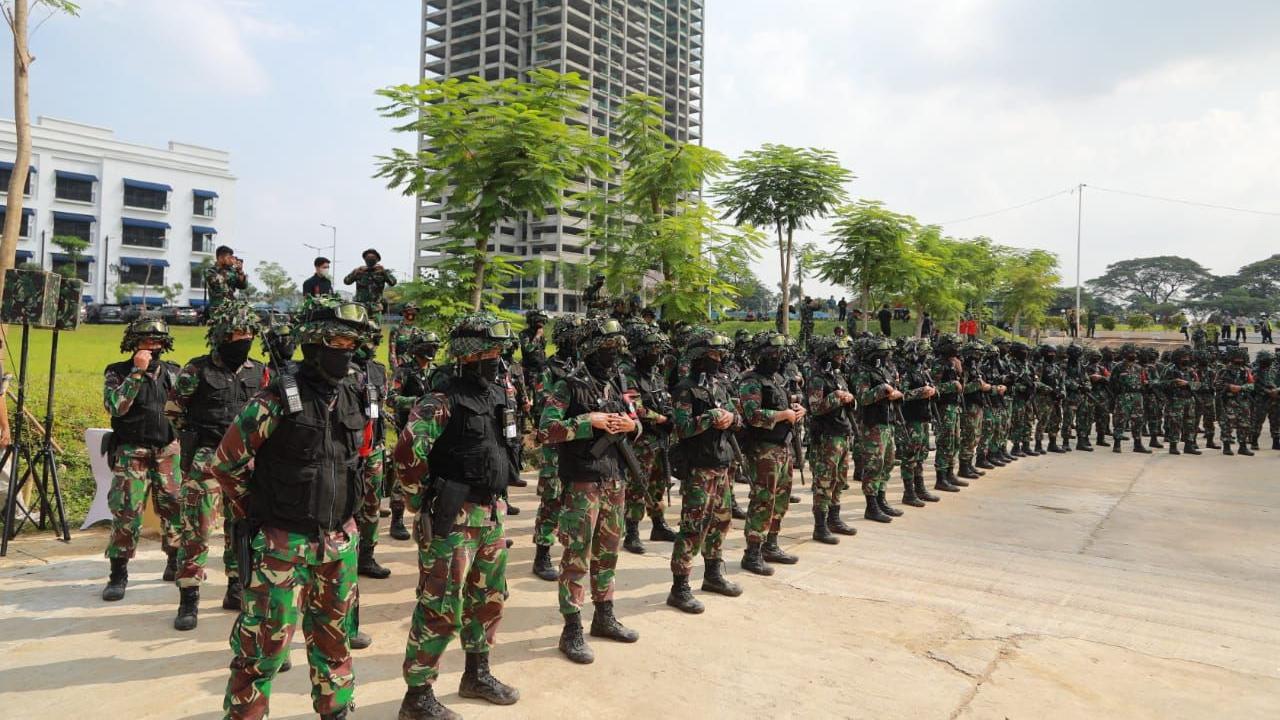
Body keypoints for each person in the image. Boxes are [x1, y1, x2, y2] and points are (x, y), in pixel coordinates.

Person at [210, 297, 372, 720]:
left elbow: (361, 460)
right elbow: (226, 461)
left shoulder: (354, 393)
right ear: (315, 346)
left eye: (352, 343)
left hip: (339, 542)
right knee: (263, 645)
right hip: (282, 544)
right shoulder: (277, 398)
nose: (347, 351)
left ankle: (335, 710)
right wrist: (258, 508)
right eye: (338, 341)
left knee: (335, 639)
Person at [393, 312, 520, 720]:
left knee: (489, 599)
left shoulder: (498, 395)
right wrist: (423, 504)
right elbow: (408, 455)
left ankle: (477, 674)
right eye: (490, 352)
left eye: (500, 352)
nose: (496, 359)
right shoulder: (441, 400)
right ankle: (417, 696)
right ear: (470, 354)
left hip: (490, 513)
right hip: (453, 519)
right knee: (440, 607)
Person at [538, 317, 641, 665]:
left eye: (617, 348)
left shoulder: (619, 382)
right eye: (608, 348)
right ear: (592, 349)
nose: (614, 355)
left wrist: (632, 425)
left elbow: (635, 419)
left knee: (609, 552)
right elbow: (546, 430)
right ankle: (572, 628)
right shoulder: (569, 386)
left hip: (615, 479)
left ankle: (604, 615)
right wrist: (587, 422)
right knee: (577, 556)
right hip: (583, 480)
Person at [172, 301, 267, 630]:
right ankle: (189, 597)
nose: (243, 340)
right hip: (206, 459)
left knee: (240, 529)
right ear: (221, 336)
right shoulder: (197, 370)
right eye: (236, 334)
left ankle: (235, 586)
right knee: (196, 530)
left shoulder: (259, 371)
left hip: (245, 463)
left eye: (248, 334)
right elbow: (174, 410)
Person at [100, 316, 183, 602]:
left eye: (157, 341)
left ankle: (174, 561)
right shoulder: (117, 372)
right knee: (126, 511)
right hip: (131, 450)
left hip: (167, 450)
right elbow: (115, 407)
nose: (152, 346)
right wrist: (137, 373)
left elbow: (184, 409)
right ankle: (118, 573)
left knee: (174, 506)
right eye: (146, 341)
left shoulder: (174, 372)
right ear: (133, 343)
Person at [737, 331, 805, 574]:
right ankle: (752, 552)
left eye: (779, 353)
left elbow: (783, 404)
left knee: (781, 497)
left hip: (782, 446)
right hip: (763, 448)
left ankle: (771, 544)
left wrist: (795, 409)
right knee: (763, 499)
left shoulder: (776, 378)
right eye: (772, 353)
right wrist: (781, 416)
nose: (777, 357)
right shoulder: (751, 380)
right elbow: (752, 415)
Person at [529, 315, 586, 581]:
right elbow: (544, 403)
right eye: (574, 336)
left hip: (581, 442)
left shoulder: (584, 366)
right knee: (552, 498)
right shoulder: (549, 369)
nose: (578, 341)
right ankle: (542, 552)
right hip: (556, 441)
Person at [621, 326, 678, 555]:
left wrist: (670, 414)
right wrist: (662, 418)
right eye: (652, 349)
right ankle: (632, 532)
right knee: (638, 485)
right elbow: (636, 408)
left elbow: (663, 398)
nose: (656, 353)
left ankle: (658, 523)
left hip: (659, 439)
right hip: (641, 440)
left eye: (658, 349)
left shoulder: (655, 374)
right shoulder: (629, 375)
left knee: (658, 483)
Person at [386, 331, 441, 542]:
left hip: (432, 432)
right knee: (403, 475)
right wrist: (417, 402)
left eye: (435, 346)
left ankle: (426, 515)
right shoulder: (403, 371)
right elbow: (391, 399)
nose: (433, 350)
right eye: (428, 346)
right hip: (408, 429)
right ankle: (397, 519)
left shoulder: (436, 371)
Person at [806, 336, 860, 542]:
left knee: (839, 479)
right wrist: (836, 396)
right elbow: (815, 407)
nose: (841, 358)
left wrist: (850, 398)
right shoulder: (817, 379)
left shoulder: (838, 376)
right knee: (824, 481)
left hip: (842, 433)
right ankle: (820, 525)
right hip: (826, 436)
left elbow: (851, 399)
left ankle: (834, 518)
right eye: (837, 354)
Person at [851, 336, 903, 522]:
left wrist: (893, 393)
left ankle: (881, 499)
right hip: (872, 424)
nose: (883, 357)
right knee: (874, 465)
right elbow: (863, 398)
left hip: (887, 421)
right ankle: (871, 505)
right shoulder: (862, 372)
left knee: (888, 462)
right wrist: (883, 390)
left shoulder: (883, 371)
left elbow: (896, 391)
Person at [1215, 346, 1255, 456]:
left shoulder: (1246, 371)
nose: (1239, 360)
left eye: (1241, 358)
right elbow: (1217, 384)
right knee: (1227, 424)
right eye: (1237, 358)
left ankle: (1243, 447)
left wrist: (1241, 388)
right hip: (1228, 401)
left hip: (1243, 401)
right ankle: (1227, 447)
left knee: (1244, 425)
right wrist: (1228, 386)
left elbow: (1252, 385)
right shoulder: (1224, 370)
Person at [344, 248, 397, 313]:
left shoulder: (382, 271)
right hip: (361, 306)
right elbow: (346, 281)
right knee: (359, 323)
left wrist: (384, 272)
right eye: (367, 257)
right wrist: (355, 273)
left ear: (377, 259)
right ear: (364, 259)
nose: (370, 259)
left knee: (375, 322)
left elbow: (393, 282)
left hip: (376, 307)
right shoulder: (359, 271)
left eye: (373, 257)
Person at [205, 245, 248, 311]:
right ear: (220, 258)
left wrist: (240, 271)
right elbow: (218, 283)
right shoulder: (210, 271)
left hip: (232, 308)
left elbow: (243, 285)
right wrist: (230, 271)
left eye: (232, 257)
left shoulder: (232, 271)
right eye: (229, 257)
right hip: (217, 310)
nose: (231, 259)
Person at [389, 302, 424, 370]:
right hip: (400, 362)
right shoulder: (396, 329)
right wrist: (395, 366)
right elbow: (392, 350)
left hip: (414, 364)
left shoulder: (417, 330)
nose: (412, 313)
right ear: (404, 313)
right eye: (410, 310)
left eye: (414, 311)